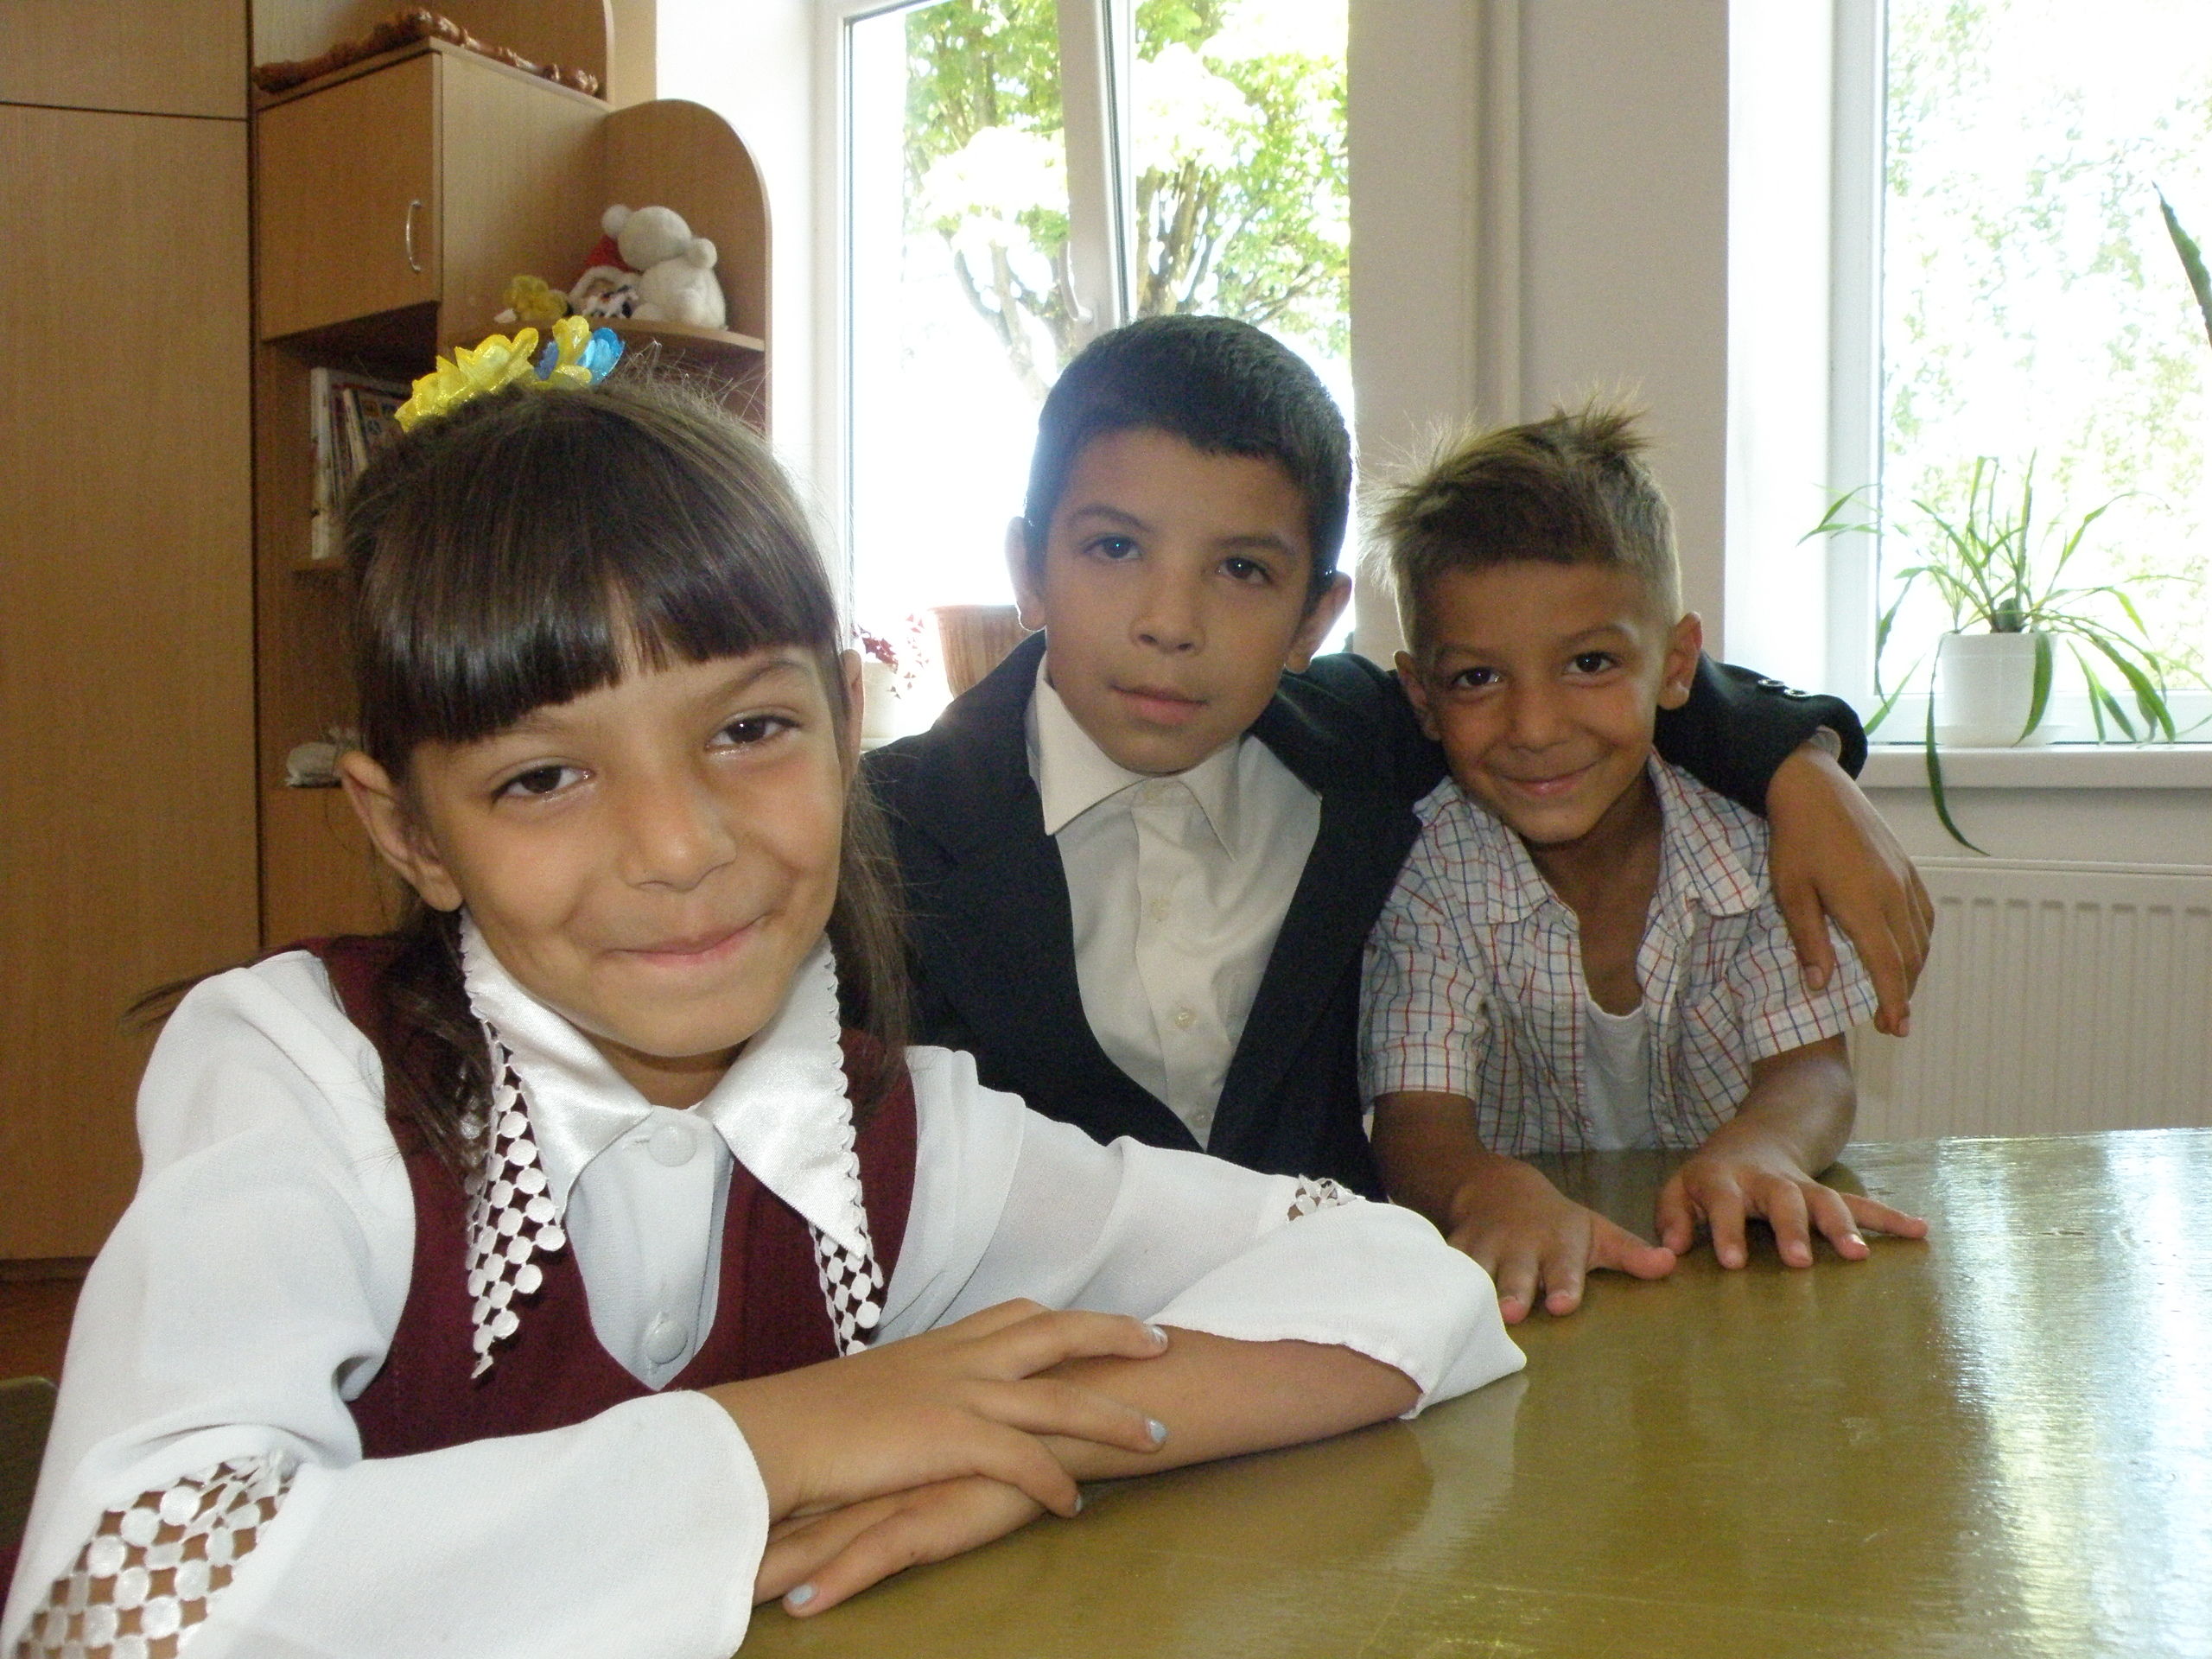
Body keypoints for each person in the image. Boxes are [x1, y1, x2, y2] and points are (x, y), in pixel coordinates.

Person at [0, 334, 1522, 1659]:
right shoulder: (303, 1078)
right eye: (542, 777)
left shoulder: (894, 1134)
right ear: (410, 833)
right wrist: (788, 1440)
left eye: (748, 732)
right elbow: (107, 1606)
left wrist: (1014, 1447)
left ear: (849, 723)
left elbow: (1404, 1279)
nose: (679, 849)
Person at [865, 315, 1931, 1195]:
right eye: (1113, 547)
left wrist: (1798, 766)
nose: (1169, 622)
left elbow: (1580, 681)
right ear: (1028, 568)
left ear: (1314, 617)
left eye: (1241, 569)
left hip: (1346, 1320)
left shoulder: (1360, 747)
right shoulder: (883, 833)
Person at [1361, 404, 1931, 1326]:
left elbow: (1814, 1072)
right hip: (1532, 1291)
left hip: (1728, 1278)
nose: (1534, 727)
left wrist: (1764, 1152)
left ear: (1676, 666)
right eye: (1477, 679)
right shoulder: (1426, 875)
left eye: (1589, 663)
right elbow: (1415, 1123)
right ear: (1422, 698)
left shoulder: (1754, 847)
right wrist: (1485, 1190)